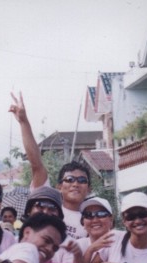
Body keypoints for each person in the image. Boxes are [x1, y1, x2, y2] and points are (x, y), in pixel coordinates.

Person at [9, 91, 89, 240]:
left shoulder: (91, 218)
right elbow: (36, 164)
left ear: (89, 189)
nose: (76, 184)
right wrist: (23, 122)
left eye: (82, 180)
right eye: (70, 179)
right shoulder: (46, 202)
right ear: (59, 186)